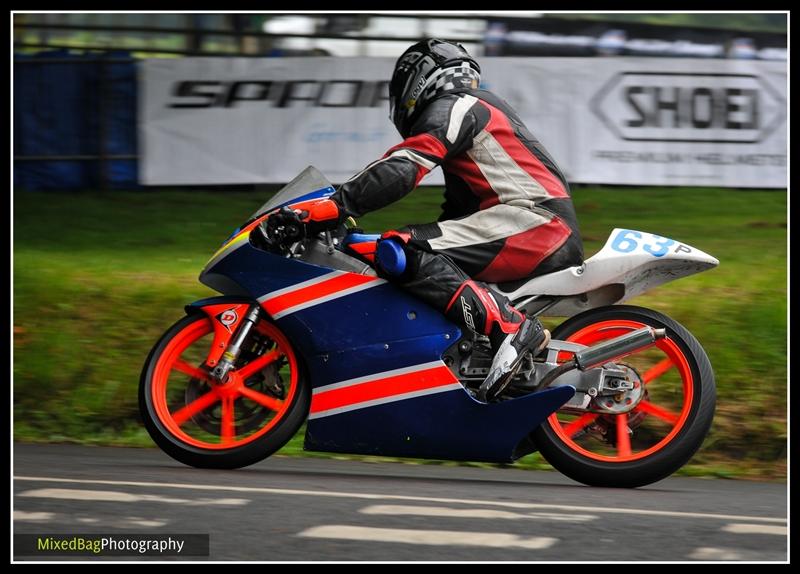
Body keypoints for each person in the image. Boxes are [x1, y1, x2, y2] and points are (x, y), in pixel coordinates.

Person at [291, 39, 583, 401]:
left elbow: (404, 166)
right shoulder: (471, 113)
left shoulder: (459, 105)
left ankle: (512, 328)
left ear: (418, 79)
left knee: (402, 246)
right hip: (527, 223)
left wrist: (337, 205)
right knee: (398, 252)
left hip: (535, 223)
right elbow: (455, 220)